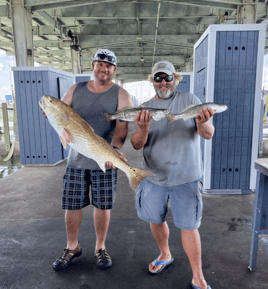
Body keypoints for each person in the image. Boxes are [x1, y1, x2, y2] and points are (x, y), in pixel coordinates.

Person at [130, 60, 214, 289]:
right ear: (152, 81)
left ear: (175, 79)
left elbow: (208, 134)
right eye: (158, 78)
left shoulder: (191, 100)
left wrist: (203, 122)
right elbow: (136, 145)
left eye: (167, 77)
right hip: (153, 177)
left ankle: (198, 275)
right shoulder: (144, 107)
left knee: (189, 226)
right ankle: (165, 254)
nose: (163, 82)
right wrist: (143, 129)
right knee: (155, 220)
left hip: (186, 176)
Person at [51, 49, 133, 271]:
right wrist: (49, 112)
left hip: (104, 159)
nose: (103, 69)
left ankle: (100, 248)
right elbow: (61, 115)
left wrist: (114, 149)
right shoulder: (75, 89)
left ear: (114, 70)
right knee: (72, 205)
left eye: (108, 65)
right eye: (100, 64)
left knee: (102, 206)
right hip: (76, 159)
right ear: (93, 66)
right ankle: (72, 247)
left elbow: (122, 128)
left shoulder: (122, 95)